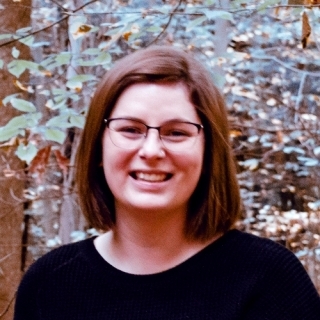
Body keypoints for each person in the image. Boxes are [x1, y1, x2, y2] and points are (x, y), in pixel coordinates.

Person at [14, 46, 320, 320]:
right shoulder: (50, 282)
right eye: (130, 129)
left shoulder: (268, 281)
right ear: (98, 147)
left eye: (177, 132)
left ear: (209, 151)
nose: (151, 151)